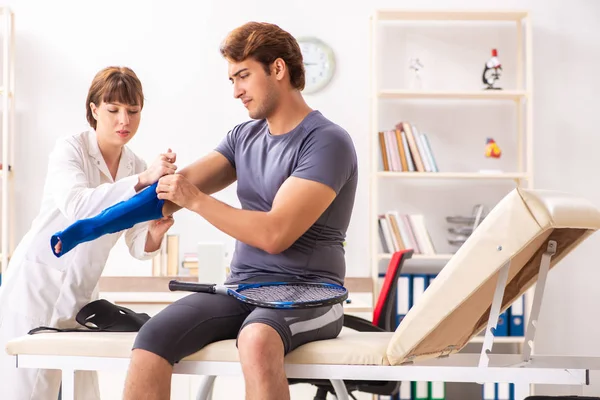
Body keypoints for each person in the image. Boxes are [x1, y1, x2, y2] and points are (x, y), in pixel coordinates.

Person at [122, 22, 358, 400]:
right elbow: (168, 194)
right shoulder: (243, 138)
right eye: (232, 79)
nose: (236, 92)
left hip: (310, 293)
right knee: (153, 336)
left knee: (256, 338)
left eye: (243, 76)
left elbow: (274, 234)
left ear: (278, 69)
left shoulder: (327, 142)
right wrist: (147, 182)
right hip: (243, 289)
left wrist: (194, 200)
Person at [0, 66, 177, 400]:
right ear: (94, 110)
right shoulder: (71, 150)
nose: (124, 120)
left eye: (133, 111)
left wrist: (155, 230)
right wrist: (143, 181)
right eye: (113, 110)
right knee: (28, 393)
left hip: (80, 300)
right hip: (34, 291)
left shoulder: (135, 165)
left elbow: (138, 244)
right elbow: (79, 206)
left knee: (83, 393)